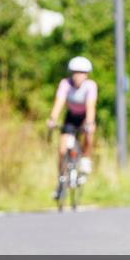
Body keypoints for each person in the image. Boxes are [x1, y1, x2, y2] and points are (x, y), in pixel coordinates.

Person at [47, 57, 97, 193]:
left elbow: (90, 106)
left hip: (84, 117)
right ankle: (61, 181)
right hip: (70, 117)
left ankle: (85, 159)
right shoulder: (65, 84)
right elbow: (59, 103)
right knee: (62, 150)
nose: (78, 76)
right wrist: (52, 119)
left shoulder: (90, 86)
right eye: (75, 72)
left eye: (81, 73)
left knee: (89, 134)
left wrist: (90, 122)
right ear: (71, 73)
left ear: (86, 74)